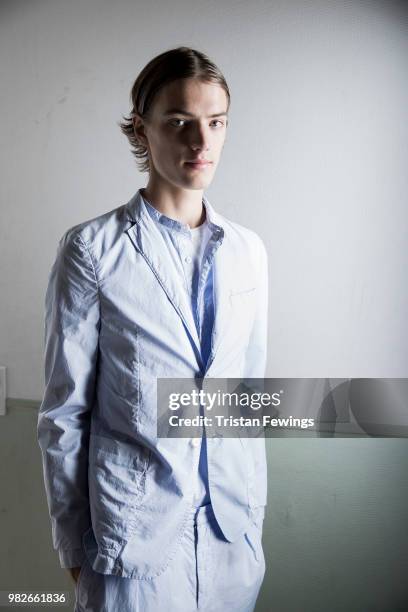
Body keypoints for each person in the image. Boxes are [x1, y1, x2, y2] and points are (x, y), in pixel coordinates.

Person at [37, 46, 269, 612]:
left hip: (230, 538)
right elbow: (65, 414)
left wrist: (253, 521)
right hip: (131, 542)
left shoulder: (249, 251)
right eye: (180, 122)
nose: (201, 142)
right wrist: (73, 546)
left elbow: (244, 401)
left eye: (216, 123)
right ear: (143, 128)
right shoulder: (91, 250)